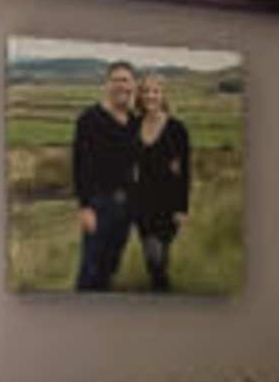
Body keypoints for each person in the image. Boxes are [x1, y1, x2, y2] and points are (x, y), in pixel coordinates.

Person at [70, 61, 142, 292]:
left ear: (133, 86)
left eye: (126, 80)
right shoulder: (89, 119)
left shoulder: (134, 122)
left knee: (110, 266)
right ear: (107, 85)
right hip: (99, 204)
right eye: (116, 80)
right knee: (90, 269)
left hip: (127, 205)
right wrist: (85, 207)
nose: (121, 85)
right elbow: (79, 164)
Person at [131, 73, 194, 292]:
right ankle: (161, 293)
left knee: (157, 256)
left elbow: (185, 172)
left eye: (155, 91)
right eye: (146, 91)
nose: (151, 96)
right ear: (140, 95)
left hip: (168, 205)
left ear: (163, 95)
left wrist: (182, 208)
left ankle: (161, 292)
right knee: (153, 259)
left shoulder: (177, 129)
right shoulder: (133, 125)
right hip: (141, 204)